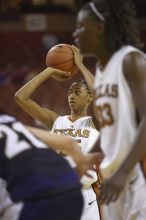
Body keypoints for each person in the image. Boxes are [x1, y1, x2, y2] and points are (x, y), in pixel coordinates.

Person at [72, 0, 146, 219]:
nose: (75, 33)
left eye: (80, 26)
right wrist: (89, 157)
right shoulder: (102, 69)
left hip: (133, 174)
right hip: (114, 178)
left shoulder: (131, 60)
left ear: (99, 28)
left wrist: (123, 172)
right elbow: (112, 126)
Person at [15, 68, 101, 220]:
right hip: (57, 193)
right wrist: (48, 71)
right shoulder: (56, 120)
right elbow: (20, 97)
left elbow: (101, 95)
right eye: (69, 92)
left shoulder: (95, 123)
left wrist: (80, 65)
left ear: (89, 98)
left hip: (85, 194)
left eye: (77, 92)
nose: (71, 96)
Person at [0, 112, 100, 220]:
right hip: (71, 190)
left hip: (34, 199)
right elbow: (69, 143)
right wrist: (81, 165)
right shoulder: (9, 121)